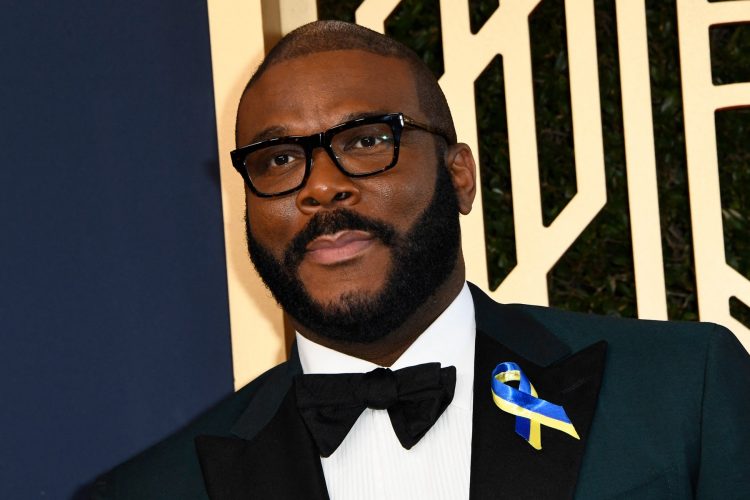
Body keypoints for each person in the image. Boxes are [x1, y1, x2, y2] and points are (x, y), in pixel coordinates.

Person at [93, 20, 750, 499]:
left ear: (459, 175)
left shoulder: (680, 390)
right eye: (280, 159)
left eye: (366, 140)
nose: (321, 187)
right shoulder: (155, 490)